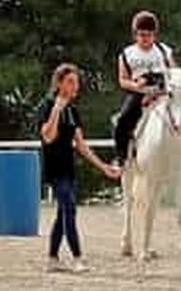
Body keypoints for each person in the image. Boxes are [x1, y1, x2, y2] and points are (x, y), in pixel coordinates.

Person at [37, 62, 121, 272]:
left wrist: (103, 167)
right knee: (70, 209)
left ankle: (52, 259)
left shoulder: (73, 111)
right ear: (59, 83)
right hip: (54, 168)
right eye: (70, 82)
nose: (75, 86)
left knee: (62, 213)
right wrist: (57, 109)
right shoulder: (46, 106)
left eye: (77, 82)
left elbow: (81, 145)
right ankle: (77, 257)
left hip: (68, 167)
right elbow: (48, 136)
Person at [112, 11, 181, 168]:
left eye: (149, 35)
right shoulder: (127, 54)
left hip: (164, 92)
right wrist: (136, 86)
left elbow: (174, 72)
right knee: (123, 120)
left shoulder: (163, 51)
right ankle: (121, 156)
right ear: (135, 34)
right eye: (142, 35)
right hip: (140, 93)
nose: (145, 39)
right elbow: (122, 80)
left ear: (154, 35)